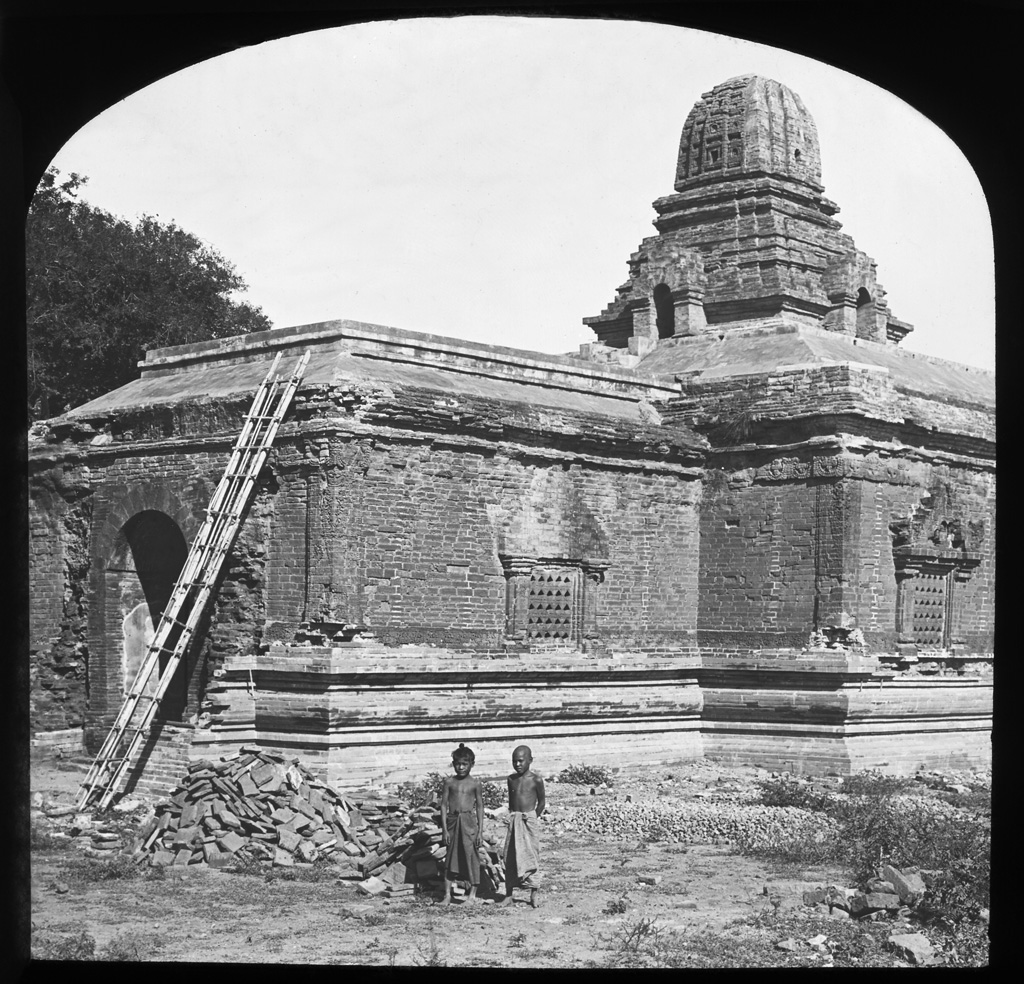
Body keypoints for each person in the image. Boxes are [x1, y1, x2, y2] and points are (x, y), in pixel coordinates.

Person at [501, 744, 546, 908]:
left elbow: (541, 802)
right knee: (510, 855)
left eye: (521, 761)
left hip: (529, 821)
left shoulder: (536, 780)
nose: (517, 764)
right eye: (515, 761)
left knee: (531, 856)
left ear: (530, 760)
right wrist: (513, 816)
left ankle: (533, 893)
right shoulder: (511, 779)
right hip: (515, 820)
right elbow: (511, 801)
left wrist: (532, 817)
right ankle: (508, 894)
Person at [439, 743, 484, 904]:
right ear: (453, 764)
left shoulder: (475, 783)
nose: (461, 767)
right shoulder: (449, 782)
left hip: (468, 822)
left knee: (471, 856)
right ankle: (447, 895)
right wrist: (444, 829)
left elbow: (479, 806)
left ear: (472, 764)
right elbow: (443, 805)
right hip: (452, 821)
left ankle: (472, 895)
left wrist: (480, 831)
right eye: (458, 764)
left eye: (464, 764)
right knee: (450, 857)